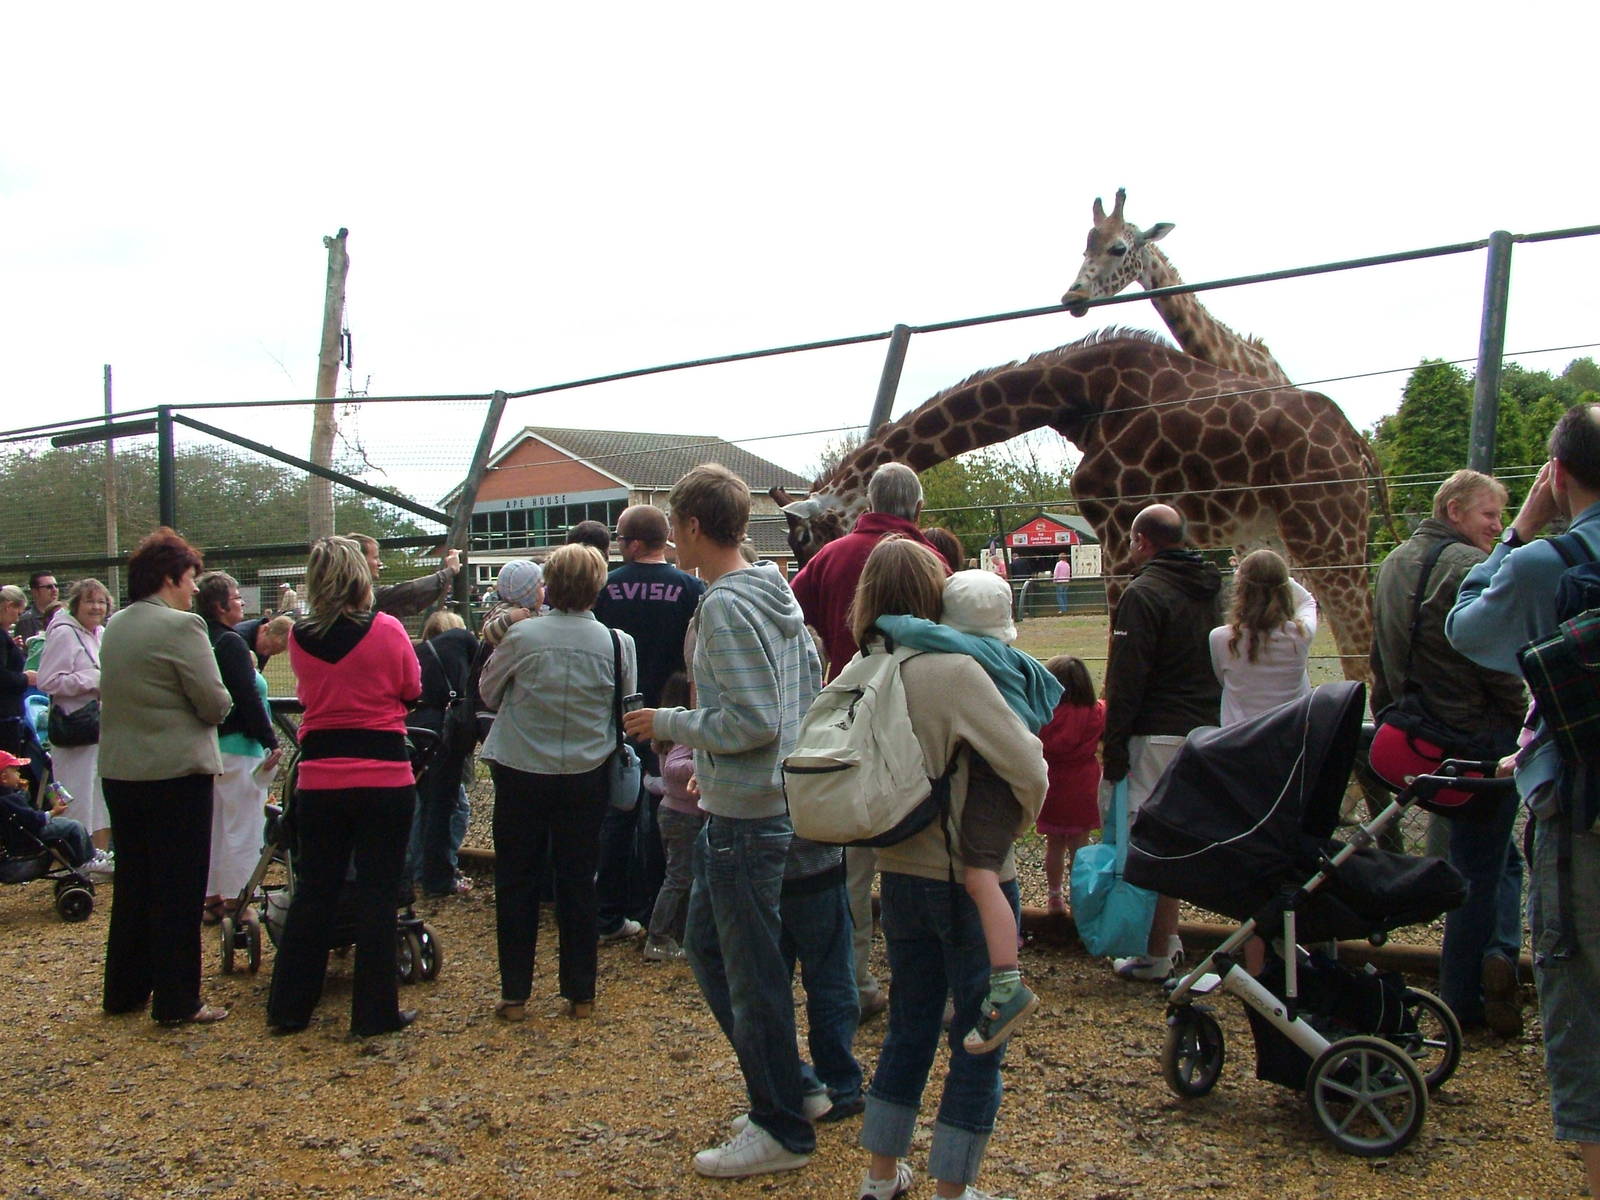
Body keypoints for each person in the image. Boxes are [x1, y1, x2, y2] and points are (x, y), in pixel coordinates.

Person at [623, 463, 824, 1179]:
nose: (672, 537)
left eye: (674, 524)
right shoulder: (773, 594)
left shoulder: (726, 608)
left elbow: (752, 720)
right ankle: (793, 1086)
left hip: (748, 814)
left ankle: (780, 1127)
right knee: (712, 949)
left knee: (749, 971)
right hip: (765, 806)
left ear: (694, 527)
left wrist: (668, 721)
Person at [845, 537, 1048, 1200]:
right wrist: (1009, 833)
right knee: (979, 1034)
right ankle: (953, 1189)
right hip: (969, 873)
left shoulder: (861, 669)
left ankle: (880, 1177)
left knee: (908, 1024)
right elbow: (1029, 767)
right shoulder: (957, 673)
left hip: (897, 874)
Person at [1447, 404, 1600, 1197]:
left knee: (1582, 1000)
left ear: (1558, 472)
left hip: (1582, 812)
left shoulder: (1552, 563)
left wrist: (1522, 527)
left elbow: (1466, 626)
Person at [872, 567, 1060, 1055]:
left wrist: (886, 618)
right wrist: (1022, 819)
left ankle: (1008, 983)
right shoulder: (1014, 658)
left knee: (981, 873)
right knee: (985, 873)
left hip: (979, 788)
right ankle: (1002, 979)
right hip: (996, 779)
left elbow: (916, 629)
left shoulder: (961, 656)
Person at [1373, 469, 1527, 1036]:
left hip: (1413, 737)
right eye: (1490, 514)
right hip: (1475, 742)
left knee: (1493, 859)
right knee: (1480, 869)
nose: (1498, 525)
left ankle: (1501, 952)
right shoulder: (1473, 569)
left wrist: (1391, 714)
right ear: (1456, 509)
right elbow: (1495, 658)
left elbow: (1379, 649)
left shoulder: (1391, 564)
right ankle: (1466, 995)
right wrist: (1518, 721)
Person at [790, 462, 942, 1023]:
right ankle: (921, 982)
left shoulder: (830, 556)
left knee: (851, 863)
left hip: (849, 715)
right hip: (915, 721)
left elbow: (793, 612)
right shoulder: (930, 560)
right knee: (916, 857)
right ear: (917, 508)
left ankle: (856, 982)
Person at [267, 536, 422, 1038]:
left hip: (320, 774)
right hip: (383, 774)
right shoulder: (387, 629)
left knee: (315, 891)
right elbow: (411, 689)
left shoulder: (298, 637)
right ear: (360, 577)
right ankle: (374, 1013)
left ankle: (289, 1008)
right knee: (378, 893)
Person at [479, 543, 637, 1022]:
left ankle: (515, 992)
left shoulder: (523, 637)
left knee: (516, 877)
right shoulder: (617, 642)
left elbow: (488, 690)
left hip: (521, 766)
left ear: (549, 585)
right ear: (597, 587)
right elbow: (627, 705)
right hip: (585, 772)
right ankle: (581, 991)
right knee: (578, 879)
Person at [98, 527, 233, 1027]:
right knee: (178, 888)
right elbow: (215, 703)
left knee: (134, 883)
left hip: (121, 772)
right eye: (192, 578)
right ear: (172, 576)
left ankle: (125, 989)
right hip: (175, 774)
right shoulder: (184, 628)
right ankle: (178, 999)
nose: (195, 589)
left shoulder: (116, 625)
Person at [1101, 504, 1222, 981]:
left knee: (1149, 843)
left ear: (1140, 541)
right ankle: (1165, 943)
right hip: (1205, 727)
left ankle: (1155, 949)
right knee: (1176, 839)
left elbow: (1127, 678)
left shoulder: (1143, 593)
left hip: (1155, 732)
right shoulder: (1212, 589)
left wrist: (1113, 748)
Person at [592, 503, 706, 944]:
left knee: (619, 813)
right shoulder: (691, 587)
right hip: (675, 714)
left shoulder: (607, 588)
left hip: (621, 715)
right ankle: (662, 904)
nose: (618, 548)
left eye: (619, 540)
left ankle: (612, 909)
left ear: (634, 543)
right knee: (675, 810)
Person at [195, 572, 280, 924]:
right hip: (240, 747)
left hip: (211, 746)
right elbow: (247, 698)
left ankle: (212, 897)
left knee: (214, 825)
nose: (242, 603)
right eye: (236, 597)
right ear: (219, 605)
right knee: (243, 825)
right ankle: (239, 898)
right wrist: (269, 740)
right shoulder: (229, 643)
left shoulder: (202, 639)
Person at [37, 578, 114, 867]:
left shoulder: (101, 634)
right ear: (76, 604)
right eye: (90, 601)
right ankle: (74, 860)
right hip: (74, 727)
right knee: (77, 793)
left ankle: (97, 854)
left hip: (100, 726)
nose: (96, 607)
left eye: (101, 601)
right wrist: (92, 681)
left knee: (98, 792)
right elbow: (48, 681)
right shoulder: (64, 634)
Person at [410, 609, 478, 898]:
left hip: (413, 727)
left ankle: (418, 870)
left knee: (423, 804)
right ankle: (439, 877)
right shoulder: (463, 645)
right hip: (440, 730)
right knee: (446, 806)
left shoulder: (421, 652)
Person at [1209, 549, 1317, 727]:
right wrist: (1282, 580)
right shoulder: (1300, 635)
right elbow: (1307, 600)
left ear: (1241, 590)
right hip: (1289, 741)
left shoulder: (1220, 638)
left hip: (1237, 742)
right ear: (1285, 589)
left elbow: (1222, 680)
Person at [1036, 654, 1105, 916]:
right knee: (1080, 843)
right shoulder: (1096, 712)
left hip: (1051, 783)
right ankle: (1079, 896)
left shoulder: (1044, 715)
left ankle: (1054, 895)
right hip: (1084, 785)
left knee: (1054, 844)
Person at [644, 671, 699, 962]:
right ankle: (658, 936)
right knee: (678, 878)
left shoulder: (667, 735)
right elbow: (674, 769)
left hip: (672, 810)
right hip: (682, 815)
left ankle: (679, 935)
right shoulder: (685, 733)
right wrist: (705, 764)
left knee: (683, 877)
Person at [0, 748, 92, 867]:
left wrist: (22, 793)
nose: (19, 774)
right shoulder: (9, 799)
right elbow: (33, 819)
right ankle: (85, 862)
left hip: (22, 835)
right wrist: (53, 812)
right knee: (74, 826)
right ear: (4, 778)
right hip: (30, 835)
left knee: (67, 824)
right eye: (16, 771)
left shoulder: (8, 796)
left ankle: (87, 857)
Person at [349, 533, 462, 619]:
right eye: (375, 557)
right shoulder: (357, 594)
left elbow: (411, 603)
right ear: (359, 560)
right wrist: (450, 570)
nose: (380, 563)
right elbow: (411, 590)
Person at [0, 585, 38, 757]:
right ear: (8, 606)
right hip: (6, 717)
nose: (17, 618)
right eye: (18, 611)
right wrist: (25, 678)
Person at [15, 571, 61, 643]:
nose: (54, 590)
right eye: (49, 587)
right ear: (35, 592)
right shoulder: (26, 620)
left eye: (56, 586)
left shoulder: (67, 615)